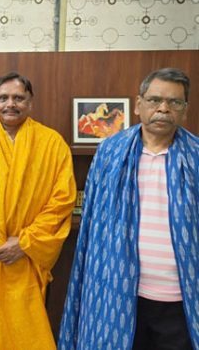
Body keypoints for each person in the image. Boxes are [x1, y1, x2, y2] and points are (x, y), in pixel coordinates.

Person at [59, 68, 198, 350]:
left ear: (185, 110)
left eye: (174, 102)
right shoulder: (110, 152)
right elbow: (92, 226)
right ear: (138, 105)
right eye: (155, 99)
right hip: (117, 294)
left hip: (182, 298)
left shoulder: (196, 156)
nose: (163, 108)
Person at [0, 72, 77, 350]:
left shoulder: (51, 143)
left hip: (25, 254)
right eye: (3, 98)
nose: (11, 104)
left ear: (30, 103)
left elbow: (62, 201)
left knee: (24, 332)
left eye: (18, 98)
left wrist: (24, 242)